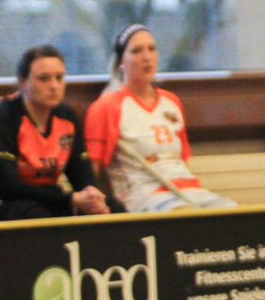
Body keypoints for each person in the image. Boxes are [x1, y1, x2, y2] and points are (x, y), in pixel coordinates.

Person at [0, 45, 111, 222]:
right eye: (44, 79)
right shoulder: (1, 116)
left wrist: (93, 196)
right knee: (37, 218)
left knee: (111, 209)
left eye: (59, 78)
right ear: (23, 82)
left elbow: (82, 173)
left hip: (37, 201)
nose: (54, 86)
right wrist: (70, 199)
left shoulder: (67, 117)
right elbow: (7, 186)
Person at [83, 24, 236, 212]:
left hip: (187, 190)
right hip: (141, 194)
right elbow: (91, 173)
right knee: (186, 217)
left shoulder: (171, 102)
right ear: (121, 61)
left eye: (151, 49)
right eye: (137, 51)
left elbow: (180, 162)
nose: (146, 57)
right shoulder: (107, 105)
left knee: (238, 213)